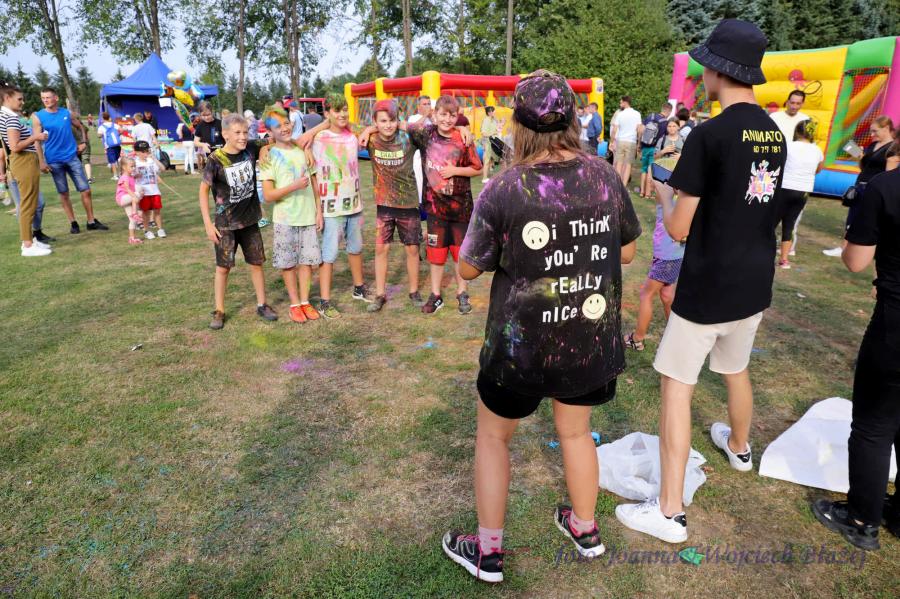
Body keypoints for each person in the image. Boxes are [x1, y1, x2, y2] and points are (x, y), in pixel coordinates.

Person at [442, 70, 641, 583]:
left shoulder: (503, 188)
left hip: (520, 349)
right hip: (587, 339)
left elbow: (468, 268)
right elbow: (627, 251)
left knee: (493, 437)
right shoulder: (604, 177)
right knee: (576, 433)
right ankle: (585, 527)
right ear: (573, 118)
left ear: (518, 124)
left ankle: (488, 552)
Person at [615, 19, 786, 544]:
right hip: (753, 280)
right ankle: (739, 447)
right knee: (735, 368)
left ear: (718, 71)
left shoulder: (710, 135)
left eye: (705, 66)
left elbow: (678, 229)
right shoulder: (775, 133)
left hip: (709, 283)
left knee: (676, 387)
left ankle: (669, 511)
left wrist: (667, 194)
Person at [811, 166, 900, 551]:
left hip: (894, 326)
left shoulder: (886, 187)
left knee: (873, 426)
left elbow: (856, 260)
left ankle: (863, 519)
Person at [199, 113, 278, 330]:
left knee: (256, 263)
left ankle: (262, 304)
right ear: (225, 134)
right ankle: (219, 310)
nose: (243, 137)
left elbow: (277, 139)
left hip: (250, 221)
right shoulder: (215, 160)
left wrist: (265, 149)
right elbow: (203, 191)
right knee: (223, 267)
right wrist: (208, 224)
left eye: (245, 132)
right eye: (237, 133)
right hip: (225, 225)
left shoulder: (250, 148)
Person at [408, 95, 482, 315]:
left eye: (452, 116)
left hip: (460, 209)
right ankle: (436, 294)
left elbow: (477, 168)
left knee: (460, 253)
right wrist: (369, 129)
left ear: (457, 116)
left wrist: (455, 170)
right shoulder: (426, 135)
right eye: (442, 114)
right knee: (436, 254)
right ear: (435, 114)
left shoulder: (463, 139)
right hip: (435, 208)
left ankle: (462, 292)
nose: (447, 120)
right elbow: (406, 127)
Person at [304, 93, 373, 318]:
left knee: (356, 248)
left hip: (353, 204)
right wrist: (320, 127)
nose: (342, 114)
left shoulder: (352, 135)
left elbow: (373, 127)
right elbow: (296, 144)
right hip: (331, 208)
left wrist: (368, 131)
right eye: (336, 110)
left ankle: (359, 287)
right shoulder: (318, 138)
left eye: (345, 109)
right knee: (329, 254)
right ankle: (325, 301)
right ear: (327, 113)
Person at [624, 119, 685, 352]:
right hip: (674, 253)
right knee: (667, 294)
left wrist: (660, 157)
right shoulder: (683, 195)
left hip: (667, 254)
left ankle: (637, 338)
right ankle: (676, 336)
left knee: (646, 294)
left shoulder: (665, 191)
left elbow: (652, 172)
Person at [359, 99, 426, 312]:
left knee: (412, 249)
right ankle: (380, 294)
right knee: (381, 249)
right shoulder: (371, 140)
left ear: (398, 120)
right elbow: (347, 128)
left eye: (392, 120)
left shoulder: (408, 137)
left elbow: (431, 132)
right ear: (375, 122)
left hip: (408, 203)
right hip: (384, 204)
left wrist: (408, 126)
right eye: (383, 121)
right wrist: (368, 130)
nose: (388, 125)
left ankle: (414, 291)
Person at [259, 105, 323, 323]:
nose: (284, 128)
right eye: (278, 126)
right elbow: (268, 195)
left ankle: (305, 301)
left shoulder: (303, 151)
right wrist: (294, 186)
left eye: (286, 123)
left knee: (307, 262)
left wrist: (319, 211)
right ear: (270, 132)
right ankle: (294, 304)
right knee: (288, 263)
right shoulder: (269, 157)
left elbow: (314, 183)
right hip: (284, 220)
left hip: (307, 216)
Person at [33, 87, 107, 234]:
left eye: (48, 97)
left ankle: (91, 221)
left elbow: (81, 127)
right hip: (54, 160)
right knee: (64, 193)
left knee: (86, 190)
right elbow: (36, 141)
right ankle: (73, 223)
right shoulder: (38, 116)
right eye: (43, 98)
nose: (46, 100)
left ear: (56, 98)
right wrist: (41, 161)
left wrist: (84, 142)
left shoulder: (66, 113)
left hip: (72, 157)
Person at [823, 116, 894, 257]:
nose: (872, 135)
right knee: (852, 217)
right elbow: (864, 167)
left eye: (875, 131)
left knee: (867, 220)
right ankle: (844, 248)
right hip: (860, 185)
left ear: (886, 128)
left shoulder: (891, 149)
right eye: (871, 131)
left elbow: (888, 174)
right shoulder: (873, 145)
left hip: (874, 189)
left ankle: (855, 249)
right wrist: (860, 157)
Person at [0, 85, 52, 256]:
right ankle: (28, 245)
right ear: (7, 98)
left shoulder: (5, 116)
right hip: (24, 161)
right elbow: (15, 146)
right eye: (19, 99)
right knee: (28, 204)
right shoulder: (12, 118)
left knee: (28, 203)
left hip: (21, 162)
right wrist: (36, 137)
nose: (23, 102)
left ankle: (30, 240)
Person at [775, 120, 823, 269]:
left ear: (796, 131)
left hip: (785, 187)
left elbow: (779, 163)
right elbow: (818, 169)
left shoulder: (788, 146)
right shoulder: (817, 150)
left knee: (771, 222)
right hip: (803, 190)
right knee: (789, 224)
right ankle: (784, 259)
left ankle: (761, 251)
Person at [132, 140, 167, 239]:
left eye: (147, 151)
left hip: (154, 191)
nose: (145, 153)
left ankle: (160, 229)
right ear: (137, 152)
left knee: (157, 211)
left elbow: (163, 168)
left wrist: (154, 159)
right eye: (143, 151)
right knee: (145, 212)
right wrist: (136, 175)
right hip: (143, 192)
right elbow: (130, 176)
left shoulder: (151, 161)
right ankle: (147, 231)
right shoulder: (135, 162)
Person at [637, 103, 672, 198]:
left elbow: (640, 130)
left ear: (662, 108)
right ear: (669, 111)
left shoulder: (650, 116)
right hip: (655, 149)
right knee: (651, 170)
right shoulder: (665, 122)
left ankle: (642, 192)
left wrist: (639, 144)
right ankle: (648, 193)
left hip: (645, 147)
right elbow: (665, 137)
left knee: (644, 169)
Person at [609, 95, 641, 186]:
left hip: (620, 141)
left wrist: (611, 142)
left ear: (625, 102)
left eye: (621, 102)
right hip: (631, 141)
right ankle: (624, 185)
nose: (620, 104)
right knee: (628, 165)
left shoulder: (620, 114)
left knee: (618, 163)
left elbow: (614, 130)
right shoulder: (637, 114)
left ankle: (617, 184)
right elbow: (639, 130)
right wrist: (639, 143)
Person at [114, 156, 145, 245]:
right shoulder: (124, 177)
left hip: (128, 198)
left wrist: (137, 176)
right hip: (122, 198)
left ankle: (132, 238)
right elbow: (127, 189)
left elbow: (133, 178)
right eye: (131, 166)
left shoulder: (130, 176)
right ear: (124, 167)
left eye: (134, 166)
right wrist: (135, 196)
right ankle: (135, 213)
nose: (134, 168)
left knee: (132, 220)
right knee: (139, 192)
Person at [407, 95, 433, 201]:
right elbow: (412, 129)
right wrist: (425, 115)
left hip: (432, 157)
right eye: (424, 104)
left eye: (429, 104)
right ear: (418, 106)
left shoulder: (432, 119)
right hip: (417, 157)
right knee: (419, 181)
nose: (427, 106)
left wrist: (432, 117)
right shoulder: (413, 118)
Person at [97, 112, 122, 180]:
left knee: (112, 161)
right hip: (117, 144)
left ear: (103, 118)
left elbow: (99, 135)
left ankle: (115, 175)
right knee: (118, 159)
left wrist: (102, 135)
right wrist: (117, 135)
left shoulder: (101, 127)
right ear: (109, 117)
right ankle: (120, 174)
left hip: (109, 146)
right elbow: (121, 130)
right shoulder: (114, 124)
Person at [480, 106, 501, 183]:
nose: (495, 112)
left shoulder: (493, 119)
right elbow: (483, 133)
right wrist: (493, 133)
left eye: (494, 111)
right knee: (486, 160)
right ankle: (484, 178)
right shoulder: (486, 120)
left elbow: (498, 126)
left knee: (490, 159)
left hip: (492, 142)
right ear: (489, 112)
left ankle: (488, 174)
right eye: (493, 111)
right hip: (487, 142)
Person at [71, 112, 93, 183]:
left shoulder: (70, 127)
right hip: (85, 145)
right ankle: (89, 178)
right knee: (86, 160)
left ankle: (80, 178)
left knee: (77, 162)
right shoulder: (84, 126)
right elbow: (88, 137)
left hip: (75, 146)